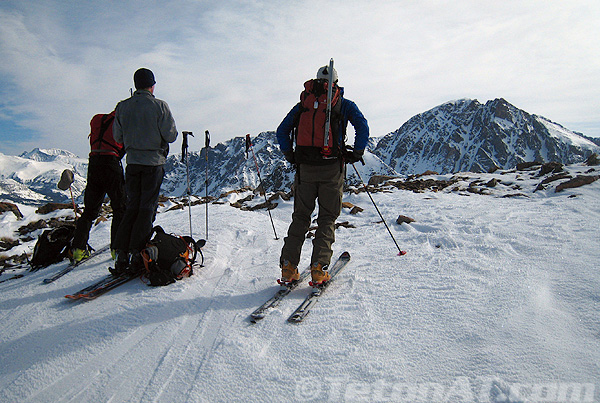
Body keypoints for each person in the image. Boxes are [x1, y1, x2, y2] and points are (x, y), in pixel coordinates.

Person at [276, 64, 369, 285]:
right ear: (336, 83)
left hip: (305, 169)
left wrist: (291, 155)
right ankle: (319, 268)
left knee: (300, 217)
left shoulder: (303, 105)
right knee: (327, 218)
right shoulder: (344, 104)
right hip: (331, 168)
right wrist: (356, 152)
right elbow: (362, 127)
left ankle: (288, 267)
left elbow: (282, 131)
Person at [111, 68, 178, 274]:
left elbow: (118, 137)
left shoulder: (122, 107)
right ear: (152, 85)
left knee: (132, 207)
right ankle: (137, 253)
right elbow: (171, 135)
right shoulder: (160, 106)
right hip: (153, 162)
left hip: (132, 163)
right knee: (147, 208)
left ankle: (120, 252)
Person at [69, 110, 126, 263]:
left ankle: (78, 250)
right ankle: (117, 249)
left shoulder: (97, 120)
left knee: (89, 210)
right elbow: (123, 146)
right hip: (111, 164)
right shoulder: (121, 122)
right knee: (119, 208)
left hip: (94, 164)